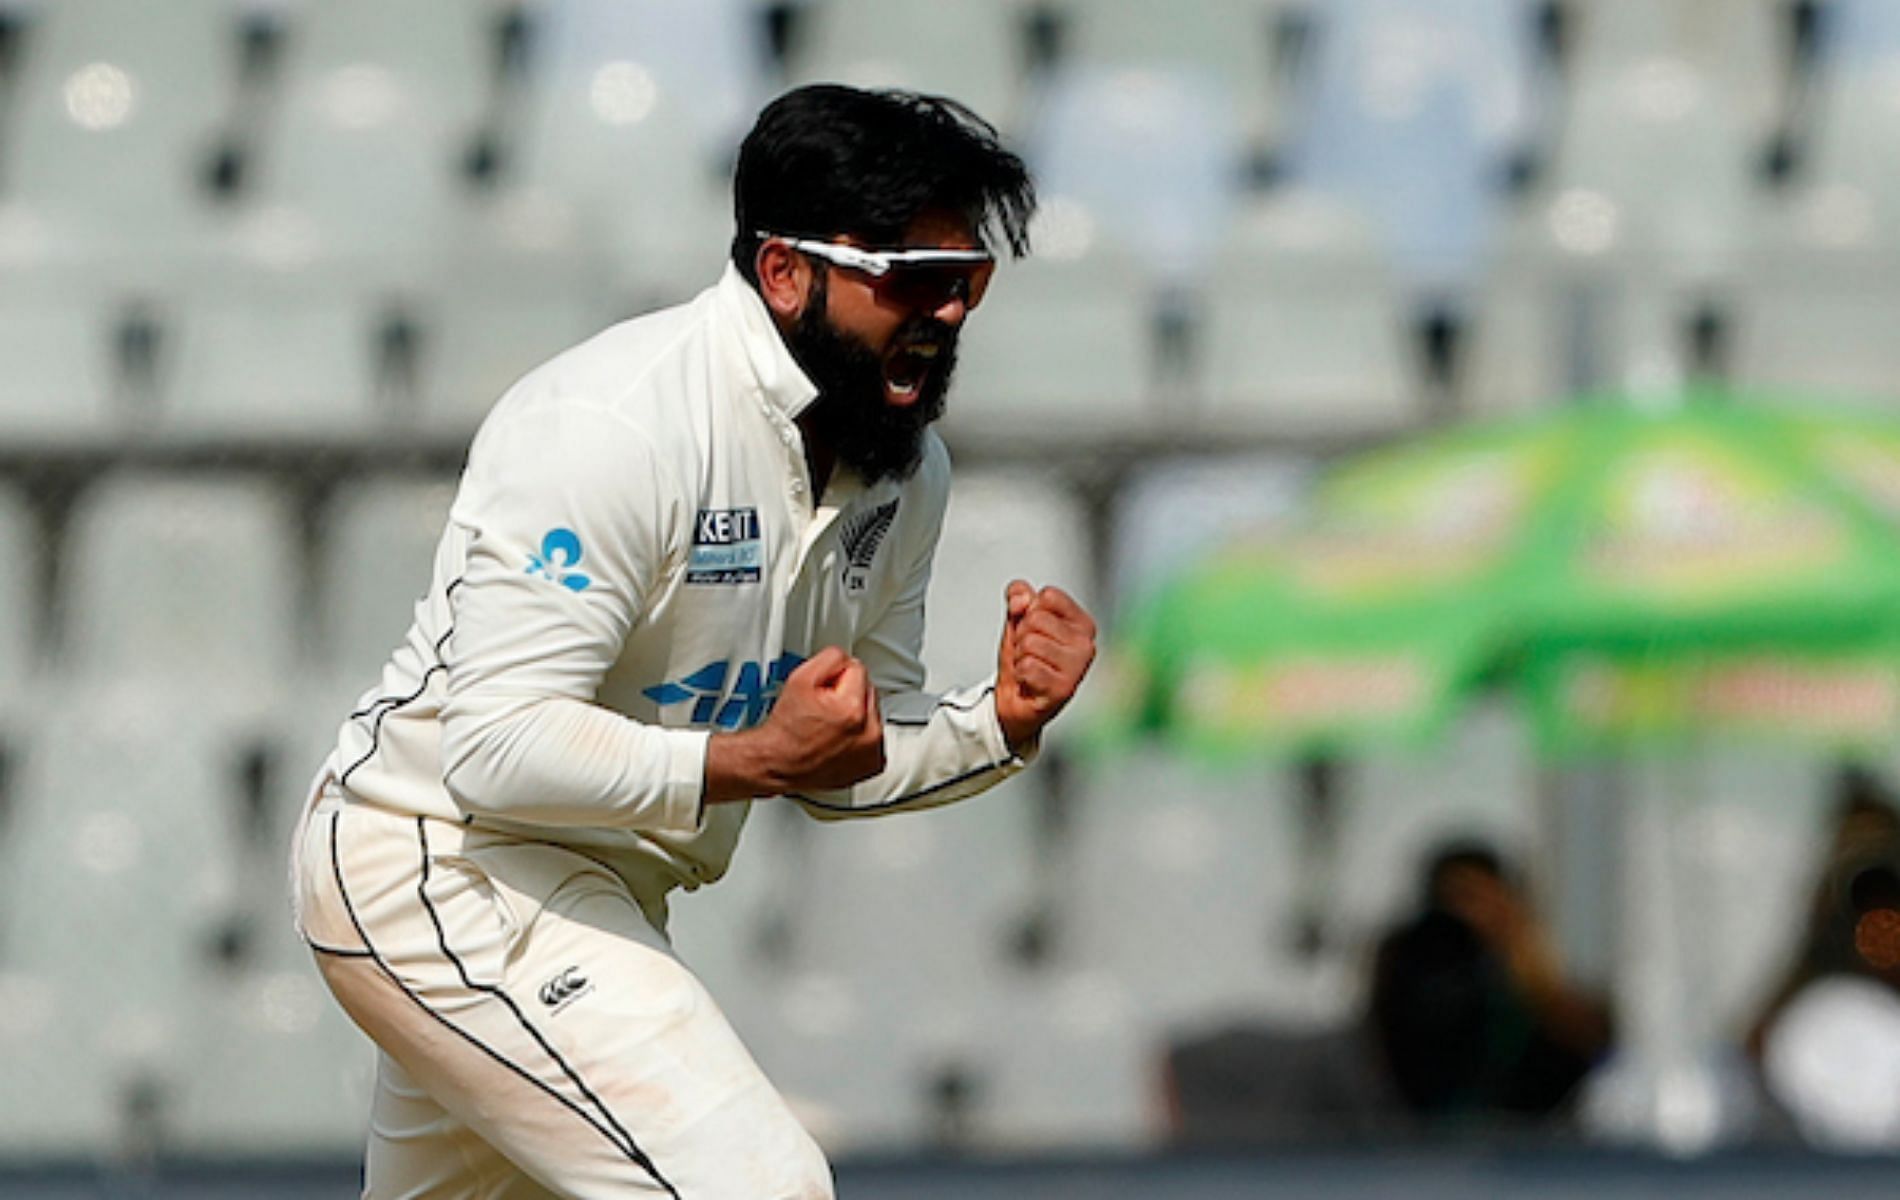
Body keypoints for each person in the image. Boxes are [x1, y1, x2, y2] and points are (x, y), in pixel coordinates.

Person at [287, 85, 1096, 1199]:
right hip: (440, 866)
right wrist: (750, 758)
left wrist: (998, 723)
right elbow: (493, 748)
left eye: (965, 283)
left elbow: (846, 763)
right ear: (784, 272)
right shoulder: (616, 424)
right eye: (910, 279)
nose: (946, 313)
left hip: (599, 889)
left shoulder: (903, 470)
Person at [1367, 839, 1613, 1129]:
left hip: (1527, 1151)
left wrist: (1520, 955)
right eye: (1451, 902)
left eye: (1475, 899)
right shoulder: (1411, 968)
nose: (1464, 919)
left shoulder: (1527, 988)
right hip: (1417, 1144)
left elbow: (1592, 1047)